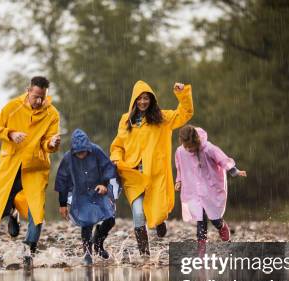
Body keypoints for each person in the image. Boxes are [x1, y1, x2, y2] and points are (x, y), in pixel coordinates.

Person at [110, 80, 193, 256]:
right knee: (138, 214)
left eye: (146, 98)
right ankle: (144, 254)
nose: (142, 102)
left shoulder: (161, 118)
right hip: (133, 175)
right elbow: (118, 145)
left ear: (151, 99)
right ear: (134, 101)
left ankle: (159, 221)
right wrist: (116, 159)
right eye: (139, 99)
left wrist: (182, 94)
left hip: (154, 174)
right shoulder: (126, 120)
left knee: (158, 210)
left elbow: (185, 113)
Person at [0, 76, 61, 268]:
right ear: (28, 90)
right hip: (12, 164)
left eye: (42, 97)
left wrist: (52, 144)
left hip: (35, 167)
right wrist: (11, 134)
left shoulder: (52, 113)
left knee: (37, 213)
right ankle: (12, 212)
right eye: (36, 96)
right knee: (1, 205)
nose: (38, 101)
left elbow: (49, 142)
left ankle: (29, 251)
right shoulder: (13, 107)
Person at [174, 125, 247, 246]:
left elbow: (222, 159)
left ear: (196, 141)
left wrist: (234, 170)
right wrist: (179, 181)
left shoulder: (208, 149)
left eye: (191, 147)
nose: (188, 149)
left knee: (214, 217)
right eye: (186, 146)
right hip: (193, 188)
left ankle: (221, 226)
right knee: (200, 217)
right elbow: (180, 167)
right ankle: (201, 245)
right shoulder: (180, 151)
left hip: (210, 187)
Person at [55, 129, 118, 265]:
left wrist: (104, 184)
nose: (81, 155)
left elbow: (108, 167)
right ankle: (87, 254)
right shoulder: (67, 158)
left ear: (88, 148)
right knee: (86, 222)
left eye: (83, 152)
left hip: (99, 190)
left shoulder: (96, 150)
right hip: (81, 194)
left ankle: (98, 243)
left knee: (110, 219)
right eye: (78, 153)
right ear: (73, 151)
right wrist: (62, 204)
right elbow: (62, 180)